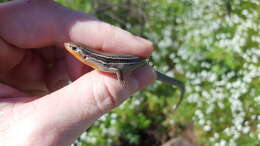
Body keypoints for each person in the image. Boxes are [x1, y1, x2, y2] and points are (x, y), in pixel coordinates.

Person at [0, 0, 155, 145]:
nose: (69, 47)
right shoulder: (91, 60)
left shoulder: (99, 61)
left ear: (84, 54)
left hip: (135, 64)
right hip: (132, 61)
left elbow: (115, 68)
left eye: (74, 49)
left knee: (136, 66)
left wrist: (121, 80)